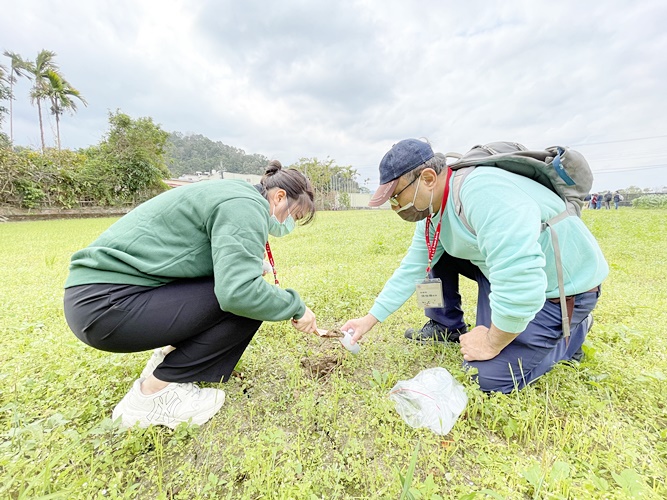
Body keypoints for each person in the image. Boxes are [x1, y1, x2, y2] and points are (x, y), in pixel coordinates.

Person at [64, 161, 319, 428]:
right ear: (279, 197)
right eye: (294, 215)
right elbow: (239, 292)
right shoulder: (246, 205)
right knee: (247, 301)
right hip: (107, 306)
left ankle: (164, 362)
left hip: (94, 298)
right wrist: (296, 307)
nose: (288, 223)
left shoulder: (234, 192)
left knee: (245, 288)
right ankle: (152, 396)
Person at [342, 139, 609, 393]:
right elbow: (411, 268)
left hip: (561, 289)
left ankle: (572, 333)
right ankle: (445, 325)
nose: (396, 207)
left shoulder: (482, 191)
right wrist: (369, 319)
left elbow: (521, 280)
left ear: (427, 178)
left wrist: (493, 340)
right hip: (501, 273)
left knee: (482, 376)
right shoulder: (433, 212)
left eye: (396, 196)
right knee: (435, 250)